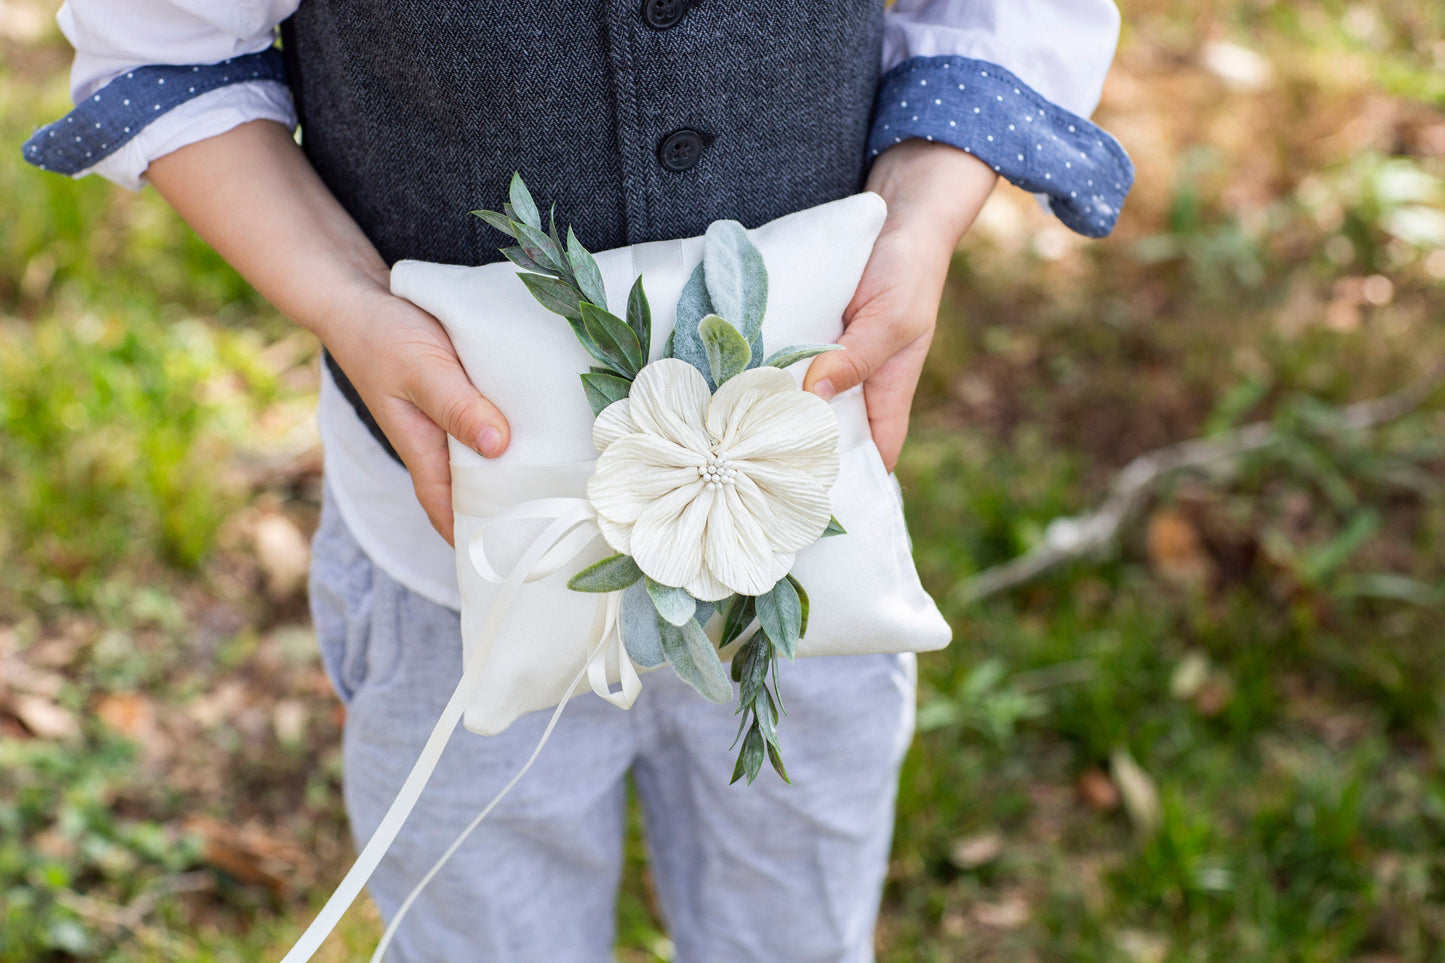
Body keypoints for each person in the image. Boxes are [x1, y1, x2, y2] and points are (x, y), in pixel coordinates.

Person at [25, 2, 1132, 959]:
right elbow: (166, 47)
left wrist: (923, 218)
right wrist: (349, 305)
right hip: (451, 577)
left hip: (808, 557)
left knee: (794, 931)